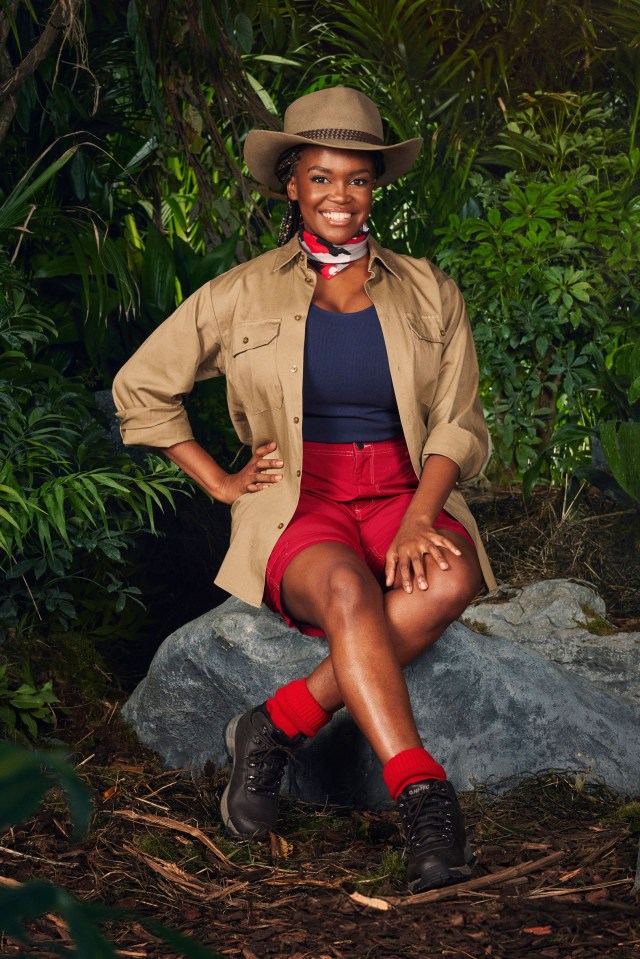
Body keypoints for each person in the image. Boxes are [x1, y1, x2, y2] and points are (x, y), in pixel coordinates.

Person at [113, 86, 496, 894]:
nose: (339, 196)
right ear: (291, 183)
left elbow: (458, 422)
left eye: (356, 179)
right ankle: (424, 795)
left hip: (402, 489)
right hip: (301, 500)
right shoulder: (240, 293)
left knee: (452, 576)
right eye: (321, 178)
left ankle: (277, 720)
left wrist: (421, 518)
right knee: (352, 594)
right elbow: (142, 387)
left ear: (374, 188)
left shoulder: (429, 289)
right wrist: (219, 479)